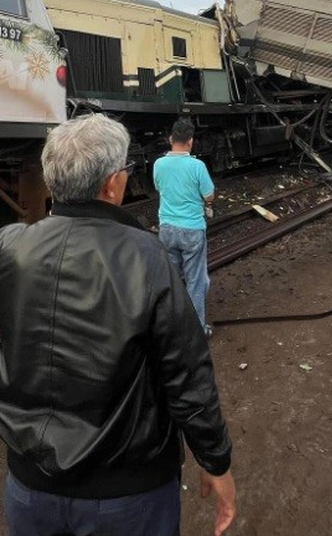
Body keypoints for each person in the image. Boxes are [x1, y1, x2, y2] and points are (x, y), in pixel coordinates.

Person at [0, 114, 235, 536]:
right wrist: (214, 460)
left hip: (28, 486)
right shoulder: (148, 257)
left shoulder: (11, 247)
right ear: (112, 184)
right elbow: (186, 375)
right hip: (127, 494)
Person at [153, 118, 214, 337]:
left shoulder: (159, 164)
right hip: (192, 230)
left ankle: (170, 327)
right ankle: (197, 331)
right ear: (190, 141)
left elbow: (159, 188)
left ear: (171, 139)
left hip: (167, 229)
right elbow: (209, 195)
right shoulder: (197, 166)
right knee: (196, 281)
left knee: (171, 279)